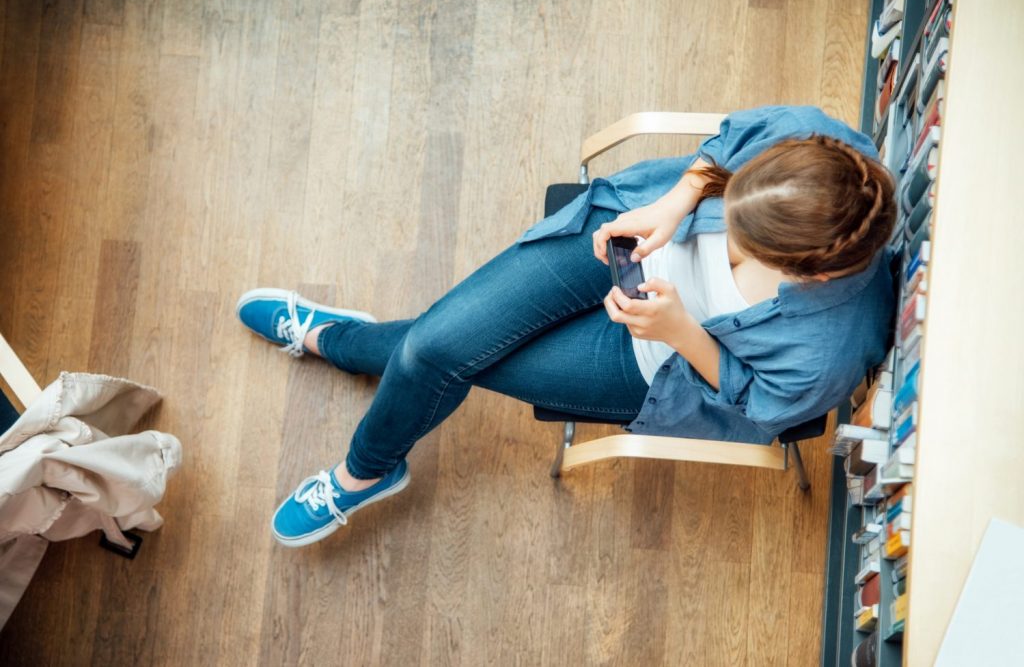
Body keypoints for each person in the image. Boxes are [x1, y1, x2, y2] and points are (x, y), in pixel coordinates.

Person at [237, 105, 897, 547]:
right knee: (436, 347)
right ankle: (353, 376)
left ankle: (356, 430)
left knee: (437, 349)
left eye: (744, 242)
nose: (724, 231)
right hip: (630, 232)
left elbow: (761, 406)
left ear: (805, 271)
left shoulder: (828, 347)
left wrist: (677, 330)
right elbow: (729, 142)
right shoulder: (826, 150)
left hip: (651, 358)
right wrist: (678, 200)